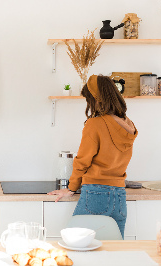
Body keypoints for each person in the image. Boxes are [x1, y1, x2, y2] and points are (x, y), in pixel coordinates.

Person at [48, 75, 138, 238]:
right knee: (114, 251)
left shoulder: (95, 124)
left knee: (75, 244)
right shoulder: (128, 124)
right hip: (119, 196)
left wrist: (71, 188)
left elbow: (82, 161)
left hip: (96, 194)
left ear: (96, 99)